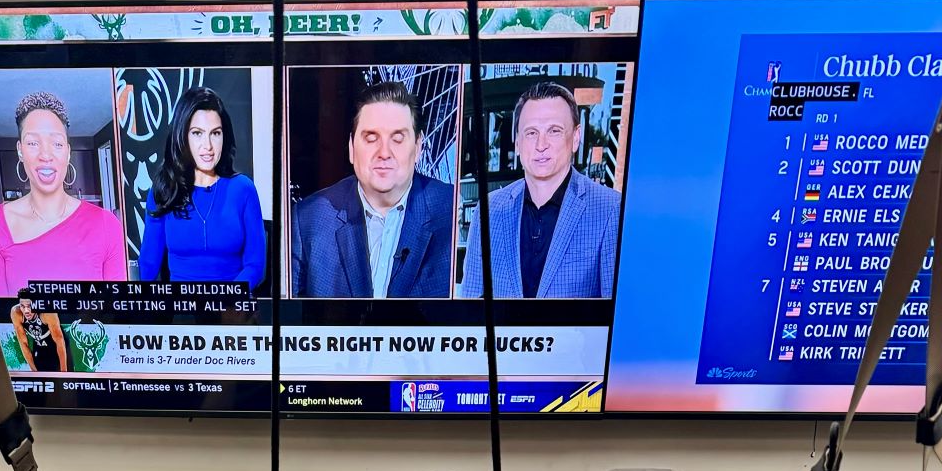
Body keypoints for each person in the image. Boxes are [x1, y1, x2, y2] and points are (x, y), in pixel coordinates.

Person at [289, 81, 454, 299]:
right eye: (371, 138)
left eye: (397, 139)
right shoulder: (308, 219)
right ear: (351, 148)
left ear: (418, 147)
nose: (384, 153)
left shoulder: (450, 210)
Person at [458, 79, 620, 300]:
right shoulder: (489, 210)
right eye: (531, 132)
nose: (541, 145)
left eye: (554, 131)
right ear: (517, 143)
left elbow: (616, 314)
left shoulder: (610, 209)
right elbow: (471, 306)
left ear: (575, 138)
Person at [0, 92, 127, 295]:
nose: (45, 155)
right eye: (33, 143)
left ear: (67, 151)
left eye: (56, 144)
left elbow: (117, 315)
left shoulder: (107, 225)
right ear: (20, 150)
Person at [136, 86, 265, 289]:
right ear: (183, 136)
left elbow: (255, 265)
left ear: (225, 136)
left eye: (215, 133)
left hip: (232, 310)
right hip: (182, 310)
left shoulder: (243, 189)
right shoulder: (163, 190)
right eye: (197, 133)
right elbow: (149, 264)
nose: (208, 146)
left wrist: (227, 301)